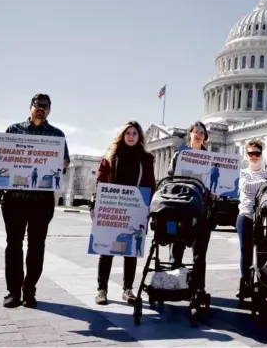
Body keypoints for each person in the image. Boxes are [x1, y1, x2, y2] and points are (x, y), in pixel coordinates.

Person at [1, 93, 70, 308]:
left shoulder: (57, 135)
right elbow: (2, 157)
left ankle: (29, 291)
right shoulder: (13, 130)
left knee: (36, 246)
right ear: (30, 107)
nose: (41, 109)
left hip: (41, 201)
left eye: (45, 106)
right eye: (37, 105)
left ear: (50, 110)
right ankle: (13, 291)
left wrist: (62, 164)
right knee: (13, 245)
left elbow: (65, 161)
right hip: (15, 199)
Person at [91, 121, 156, 305]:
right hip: (113, 207)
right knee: (106, 250)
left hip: (135, 208)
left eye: (134, 133)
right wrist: (94, 204)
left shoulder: (146, 158)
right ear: (122, 135)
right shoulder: (111, 157)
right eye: (128, 133)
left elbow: (150, 184)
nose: (131, 136)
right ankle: (102, 289)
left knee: (130, 252)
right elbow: (101, 182)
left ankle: (128, 289)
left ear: (139, 137)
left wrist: (147, 207)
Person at [167, 121, 214, 291]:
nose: (199, 134)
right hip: (181, 205)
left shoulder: (210, 159)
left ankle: (198, 287)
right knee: (176, 246)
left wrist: (213, 192)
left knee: (199, 252)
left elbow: (214, 182)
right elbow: (170, 177)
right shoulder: (179, 155)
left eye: (202, 132)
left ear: (205, 137)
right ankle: (173, 281)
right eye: (196, 131)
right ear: (190, 134)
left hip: (201, 208)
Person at [235, 140, 267, 299]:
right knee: (246, 253)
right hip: (246, 216)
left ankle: (262, 284)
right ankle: (246, 283)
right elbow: (245, 187)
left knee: (263, 253)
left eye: (257, 153)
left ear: (261, 154)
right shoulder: (242, 172)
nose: (254, 156)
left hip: (264, 219)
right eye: (251, 153)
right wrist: (265, 184)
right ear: (246, 155)